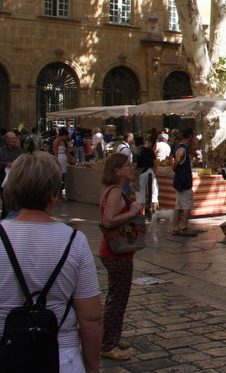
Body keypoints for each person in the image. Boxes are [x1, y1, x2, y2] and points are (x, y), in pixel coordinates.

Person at [0, 152, 102, 373]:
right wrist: (92, 368)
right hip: (59, 357)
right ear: (54, 193)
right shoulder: (76, 241)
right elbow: (91, 317)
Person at [98, 153, 141, 360]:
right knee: (117, 300)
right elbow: (109, 220)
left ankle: (112, 337)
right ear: (117, 171)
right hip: (116, 253)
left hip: (115, 253)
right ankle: (108, 344)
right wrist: (133, 212)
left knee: (116, 298)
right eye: (127, 166)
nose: (131, 168)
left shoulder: (115, 190)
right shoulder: (115, 192)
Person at [172, 128, 199, 236]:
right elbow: (177, 161)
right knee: (187, 205)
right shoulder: (182, 149)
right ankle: (184, 227)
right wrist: (174, 167)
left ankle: (175, 227)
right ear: (191, 136)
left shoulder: (180, 147)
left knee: (178, 205)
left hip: (180, 180)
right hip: (184, 180)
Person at [0, 132, 24, 219]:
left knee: (16, 198)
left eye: (15, 138)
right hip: (4, 177)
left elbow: (24, 161)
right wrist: (6, 164)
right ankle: (4, 218)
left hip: (16, 177)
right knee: (5, 199)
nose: (14, 140)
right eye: (12, 138)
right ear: (7, 140)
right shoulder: (1, 151)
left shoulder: (19, 150)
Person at [133, 136, 158, 216]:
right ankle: (155, 214)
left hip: (141, 173)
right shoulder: (150, 151)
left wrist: (133, 178)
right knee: (154, 192)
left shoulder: (136, 152)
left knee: (140, 194)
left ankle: (142, 215)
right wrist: (154, 173)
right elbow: (155, 164)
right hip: (151, 172)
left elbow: (134, 166)